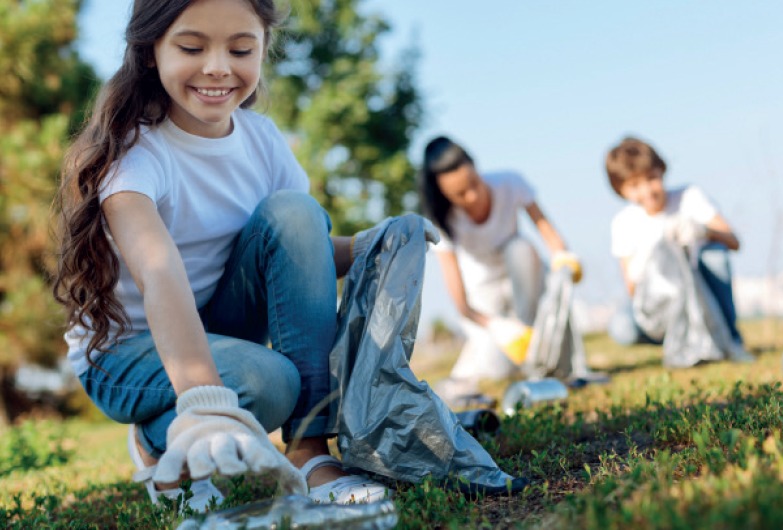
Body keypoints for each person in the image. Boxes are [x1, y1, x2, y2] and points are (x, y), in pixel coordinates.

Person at [53, 0, 389, 512]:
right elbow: (158, 270)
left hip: (217, 321)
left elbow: (305, 254)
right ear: (150, 51)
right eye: (192, 47)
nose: (217, 67)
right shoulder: (133, 155)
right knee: (271, 383)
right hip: (125, 349)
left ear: (263, 50)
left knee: (297, 213)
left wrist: (377, 245)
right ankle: (160, 436)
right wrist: (206, 402)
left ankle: (309, 452)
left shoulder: (262, 140)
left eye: (240, 49)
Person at [418, 136, 585, 406]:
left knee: (518, 247)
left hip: (523, 277)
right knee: (498, 368)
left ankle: (541, 358)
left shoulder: (510, 183)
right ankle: (480, 369)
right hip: (483, 299)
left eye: (474, 184)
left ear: (476, 167)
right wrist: (497, 327)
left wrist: (564, 257)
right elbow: (462, 305)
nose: (471, 196)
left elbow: (548, 232)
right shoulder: (441, 221)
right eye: (459, 194)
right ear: (444, 194)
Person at [604, 136, 754, 362]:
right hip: (663, 304)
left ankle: (730, 338)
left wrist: (704, 231)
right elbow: (633, 289)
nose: (647, 191)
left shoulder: (689, 197)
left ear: (662, 171)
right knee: (622, 327)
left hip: (702, 297)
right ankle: (677, 340)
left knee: (714, 254)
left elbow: (734, 241)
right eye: (635, 185)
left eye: (651, 178)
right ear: (621, 190)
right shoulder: (623, 224)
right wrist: (649, 260)